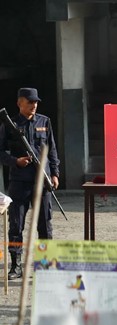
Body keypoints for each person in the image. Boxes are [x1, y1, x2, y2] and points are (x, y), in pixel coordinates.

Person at [0, 87, 60, 280]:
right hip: (20, 181)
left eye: (35, 102)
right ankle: (16, 266)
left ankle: (45, 264)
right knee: (16, 226)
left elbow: (52, 150)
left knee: (45, 225)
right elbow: (1, 152)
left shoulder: (44, 121)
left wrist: (55, 173)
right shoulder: (9, 124)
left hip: (43, 181)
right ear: (20, 103)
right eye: (30, 102)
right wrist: (15, 161)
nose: (34, 105)